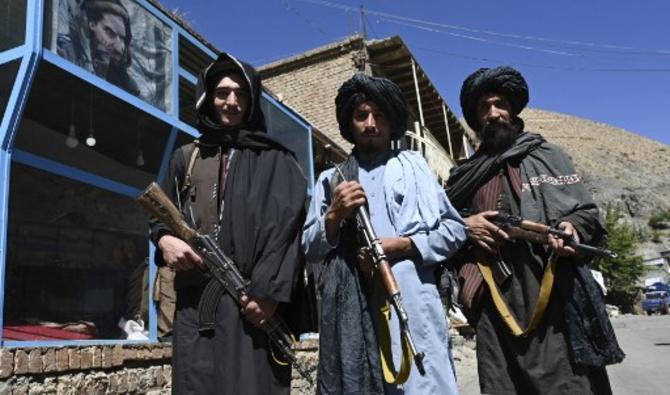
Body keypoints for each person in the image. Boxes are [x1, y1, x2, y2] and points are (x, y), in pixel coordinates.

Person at [446, 66, 625, 395]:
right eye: (484, 108)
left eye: (499, 104)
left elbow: (585, 212)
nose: (493, 113)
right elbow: (443, 227)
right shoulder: (464, 176)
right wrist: (466, 227)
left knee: (570, 383)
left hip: (554, 292)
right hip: (496, 302)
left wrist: (572, 227)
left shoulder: (548, 156)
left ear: (512, 110)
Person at [149, 53, 307, 394]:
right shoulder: (186, 157)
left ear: (252, 100)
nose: (231, 101)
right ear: (208, 98)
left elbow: (288, 233)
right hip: (195, 307)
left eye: (240, 93)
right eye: (222, 93)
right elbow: (159, 216)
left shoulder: (277, 159)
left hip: (254, 305)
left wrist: (269, 294)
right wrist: (165, 241)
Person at [302, 73, 466, 394]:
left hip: (414, 301)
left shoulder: (414, 166)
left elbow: (455, 229)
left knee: (424, 382)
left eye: (379, 115)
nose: (370, 123)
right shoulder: (330, 180)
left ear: (392, 123)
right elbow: (308, 246)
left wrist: (406, 245)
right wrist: (334, 215)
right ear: (350, 124)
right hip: (355, 308)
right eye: (361, 115)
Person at [57, 0, 139, 96]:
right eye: (110, 33)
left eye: (122, 38)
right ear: (92, 25)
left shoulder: (127, 84)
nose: (119, 47)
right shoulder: (66, 54)